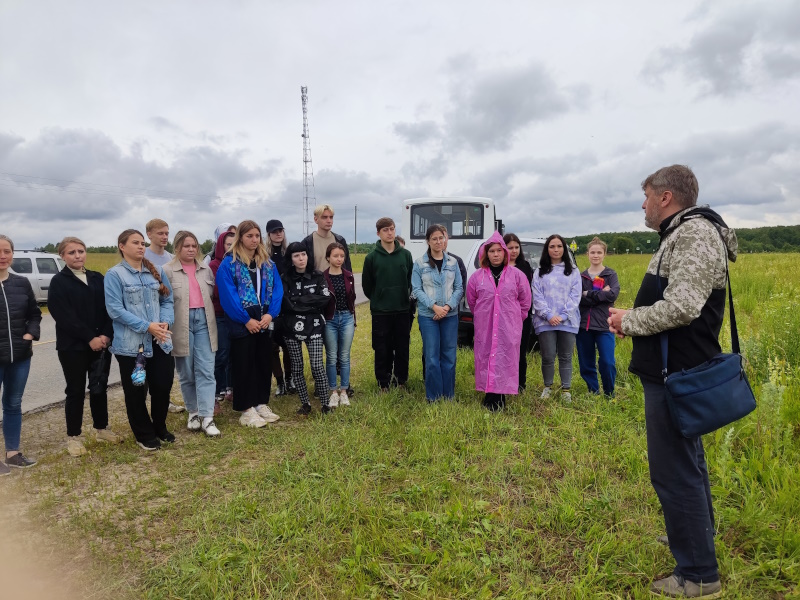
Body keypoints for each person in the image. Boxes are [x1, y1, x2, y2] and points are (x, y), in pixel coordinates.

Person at [608, 165, 734, 598]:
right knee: (688, 462)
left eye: (645, 196)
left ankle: (698, 573)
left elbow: (682, 308)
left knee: (674, 471)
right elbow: (671, 302)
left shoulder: (695, 233)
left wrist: (630, 319)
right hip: (669, 368)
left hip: (675, 372)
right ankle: (695, 534)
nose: (642, 205)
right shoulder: (680, 233)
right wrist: (634, 320)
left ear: (665, 197)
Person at [48, 236, 121, 457]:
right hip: (73, 347)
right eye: (72, 252)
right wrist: (89, 337)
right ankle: (74, 437)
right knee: (75, 390)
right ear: (62, 256)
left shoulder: (97, 278)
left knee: (99, 387)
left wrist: (106, 335)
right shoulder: (59, 282)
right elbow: (64, 316)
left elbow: (110, 307)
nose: (77, 255)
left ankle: (102, 429)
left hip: (102, 344)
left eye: (80, 251)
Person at [105, 229, 175, 451]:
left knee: (162, 387)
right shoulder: (115, 275)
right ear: (122, 246)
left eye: (142, 243)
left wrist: (164, 322)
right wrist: (147, 326)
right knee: (136, 390)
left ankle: (160, 426)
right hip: (133, 347)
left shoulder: (156, 272)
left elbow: (167, 300)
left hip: (160, 342)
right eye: (135, 243)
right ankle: (144, 433)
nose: (140, 246)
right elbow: (115, 310)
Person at [216, 220, 283, 428]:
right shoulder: (229, 263)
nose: (254, 240)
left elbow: (277, 290)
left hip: (263, 319)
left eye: (257, 236)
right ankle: (246, 409)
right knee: (244, 364)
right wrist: (245, 320)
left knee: (263, 362)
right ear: (240, 238)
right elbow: (228, 295)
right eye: (249, 236)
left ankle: (261, 402)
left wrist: (271, 315)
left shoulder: (267, 263)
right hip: (242, 322)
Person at [163, 231, 221, 437]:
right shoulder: (167, 271)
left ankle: (207, 417)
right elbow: (163, 301)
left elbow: (213, 297)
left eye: (194, 246)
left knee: (206, 369)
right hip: (181, 323)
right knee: (186, 372)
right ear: (177, 247)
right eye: (186, 246)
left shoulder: (206, 270)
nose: (190, 250)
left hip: (205, 321)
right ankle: (193, 412)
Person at [466, 232, 531, 411]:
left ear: (505, 253)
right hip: (485, 326)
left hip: (508, 326)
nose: (495, 254)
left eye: (499, 250)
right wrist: (482, 315)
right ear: (485, 254)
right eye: (492, 251)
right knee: (486, 356)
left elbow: (525, 301)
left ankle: (500, 395)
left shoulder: (517, 275)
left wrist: (516, 319)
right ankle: (489, 394)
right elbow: (472, 301)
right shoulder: (477, 277)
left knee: (505, 357)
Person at [0, 234, 41, 472]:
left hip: (20, 357)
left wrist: (29, 334)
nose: (2, 256)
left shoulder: (21, 283)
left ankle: (13, 453)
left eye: (6, 251)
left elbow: (35, 314)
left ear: (12, 254)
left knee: (13, 404)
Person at [411, 225, 463, 402]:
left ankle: (448, 395)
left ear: (445, 239)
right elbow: (417, 290)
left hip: (450, 316)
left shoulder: (453, 263)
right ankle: (433, 396)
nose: (438, 241)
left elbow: (459, 288)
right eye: (434, 238)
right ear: (428, 241)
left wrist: (447, 307)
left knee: (449, 355)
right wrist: (434, 306)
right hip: (428, 316)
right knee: (432, 356)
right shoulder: (419, 264)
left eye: (441, 238)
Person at [362, 217, 413, 392]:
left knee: (402, 347)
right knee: (382, 348)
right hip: (380, 311)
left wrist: (402, 296)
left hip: (402, 309)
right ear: (378, 233)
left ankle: (401, 381)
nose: (390, 232)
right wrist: (378, 298)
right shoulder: (371, 258)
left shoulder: (406, 255)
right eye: (385, 230)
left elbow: (410, 280)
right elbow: (367, 286)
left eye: (392, 229)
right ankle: (383, 383)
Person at [281, 242, 332, 415]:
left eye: (303, 254)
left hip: (315, 326)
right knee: (296, 367)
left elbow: (324, 299)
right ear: (291, 259)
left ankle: (326, 404)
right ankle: (305, 404)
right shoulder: (285, 278)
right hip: (291, 328)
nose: (301, 258)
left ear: (308, 256)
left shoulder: (318, 276)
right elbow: (286, 303)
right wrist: (311, 300)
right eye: (296, 255)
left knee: (317, 366)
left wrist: (300, 301)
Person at [532, 234, 581, 402]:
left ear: (564, 248)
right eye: (552, 246)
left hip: (568, 321)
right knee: (548, 356)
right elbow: (537, 296)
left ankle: (566, 389)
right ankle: (548, 387)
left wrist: (563, 315)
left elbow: (576, 296)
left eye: (559, 246)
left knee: (566, 356)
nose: (556, 249)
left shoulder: (573, 271)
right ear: (547, 249)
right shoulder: (539, 272)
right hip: (545, 321)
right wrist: (548, 315)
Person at [144, 218, 184, 414]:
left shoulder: (170, 258)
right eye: (160, 233)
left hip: (168, 317)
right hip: (148, 320)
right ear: (149, 234)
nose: (164, 237)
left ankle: (164, 401)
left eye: (167, 233)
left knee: (166, 364)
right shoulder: (142, 256)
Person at [577, 237, 619, 397]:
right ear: (587, 254)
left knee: (607, 361)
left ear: (604, 254)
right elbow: (578, 298)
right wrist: (602, 293)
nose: (595, 255)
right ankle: (593, 390)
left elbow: (612, 295)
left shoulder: (610, 274)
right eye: (592, 252)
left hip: (604, 325)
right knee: (586, 362)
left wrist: (588, 293)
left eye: (599, 252)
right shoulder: (581, 277)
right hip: (584, 326)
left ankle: (609, 393)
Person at [323, 242, 356, 407]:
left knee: (344, 356)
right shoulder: (322, 277)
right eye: (335, 256)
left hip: (347, 318)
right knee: (331, 356)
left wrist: (354, 318)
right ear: (328, 257)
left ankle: (344, 391)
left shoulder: (349, 275)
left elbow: (353, 299)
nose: (339, 259)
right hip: (330, 319)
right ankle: (333, 392)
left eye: (342, 256)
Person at [266, 219, 294, 396]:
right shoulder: (263, 254)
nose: (278, 233)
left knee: (290, 345)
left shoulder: (289, 252)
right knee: (272, 346)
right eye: (275, 231)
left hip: (288, 305)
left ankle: (290, 379)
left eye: (281, 230)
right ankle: (280, 382)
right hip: (270, 306)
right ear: (268, 234)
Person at [209, 229, 236, 411]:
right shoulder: (214, 265)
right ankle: (215, 393)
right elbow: (219, 292)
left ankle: (230, 388)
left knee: (234, 354)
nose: (231, 248)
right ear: (221, 245)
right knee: (222, 354)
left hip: (237, 315)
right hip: (220, 314)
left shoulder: (240, 263)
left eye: (234, 245)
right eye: (228, 245)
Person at [504, 233, 534, 392]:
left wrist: (522, 313)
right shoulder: (499, 266)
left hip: (522, 316)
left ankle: (520, 384)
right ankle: (505, 382)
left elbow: (527, 293)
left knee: (520, 351)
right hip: (503, 317)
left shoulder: (525, 266)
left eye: (516, 247)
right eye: (510, 248)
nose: (514, 251)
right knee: (505, 351)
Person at [301, 204, 352, 273]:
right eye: (324, 217)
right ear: (316, 219)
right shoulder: (307, 242)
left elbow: (347, 267)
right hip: (317, 282)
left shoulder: (340, 240)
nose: (329, 221)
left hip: (338, 282)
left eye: (331, 217)